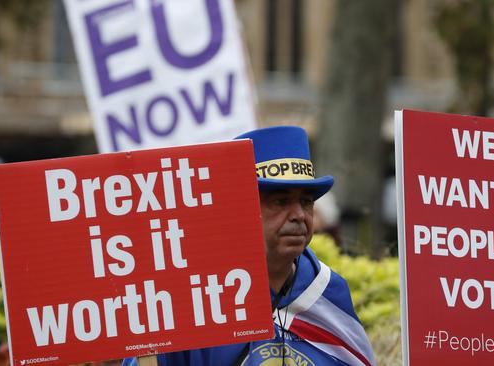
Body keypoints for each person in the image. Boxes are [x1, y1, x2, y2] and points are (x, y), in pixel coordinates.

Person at [123, 126, 375, 366]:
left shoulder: (329, 291)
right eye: (280, 201)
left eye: (306, 202)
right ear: (239, 208)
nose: (299, 214)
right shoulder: (191, 298)